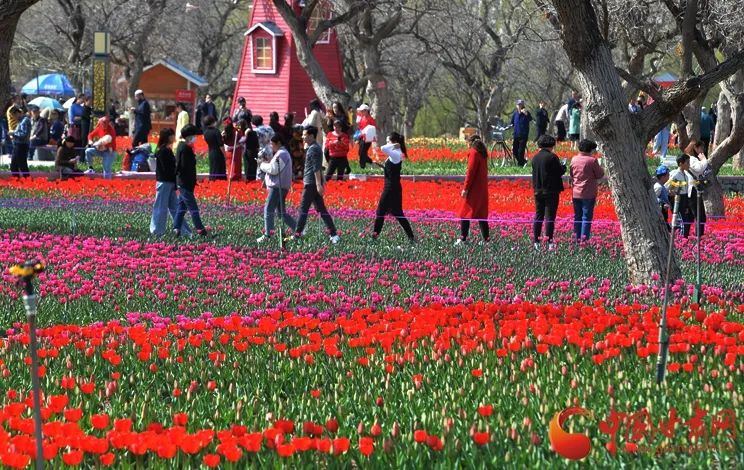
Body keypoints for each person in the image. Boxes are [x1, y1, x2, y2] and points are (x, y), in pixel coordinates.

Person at [292, 125, 340, 243]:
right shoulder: (313, 147)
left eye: (305, 135)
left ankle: (297, 235)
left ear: (311, 135)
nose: (303, 137)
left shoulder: (314, 149)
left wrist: (319, 185)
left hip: (311, 184)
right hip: (313, 183)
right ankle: (334, 234)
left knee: (303, 210)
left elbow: (316, 168)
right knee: (321, 210)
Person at [371, 132, 415, 242]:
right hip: (394, 187)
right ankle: (411, 237)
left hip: (390, 188)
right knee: (398, 213)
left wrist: (396, 144)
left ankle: (374, 237)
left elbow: (382, 148)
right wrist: (382, 166)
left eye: (388, 141)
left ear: (394, 142)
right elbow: (392, 170)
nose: (386, 143)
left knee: (380, 212)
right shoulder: (396, 153)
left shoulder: (396, 152)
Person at [150, 128, 191, 237]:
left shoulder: (166, 150)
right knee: (161, 207)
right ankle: (157, 231)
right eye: (172, 135)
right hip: (164, 183)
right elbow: (166, 169)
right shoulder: (163, 151)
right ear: (168, 137)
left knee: (175, 208)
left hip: (169, 183)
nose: (174, 137)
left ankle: (184, 231)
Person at [256, 134, 297, 242]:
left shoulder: (282, 154)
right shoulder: (282, 153)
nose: (271, 146)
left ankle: (268, 235)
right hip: (280, 186)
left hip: (277, 187)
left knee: (268, 209)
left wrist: (261, 165)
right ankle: (299, 230)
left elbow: (274, 169)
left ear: (278, 143)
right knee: (281, 213)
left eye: (272, 144)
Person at [531, 134, 565, 250]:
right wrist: (564, 167)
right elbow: (559, 171)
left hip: (537, 190)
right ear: (550, 145)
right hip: (551, 191)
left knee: (538, 215)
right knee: (550, 217)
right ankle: (549, 241)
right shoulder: (552, 157)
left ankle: (536, 241)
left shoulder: (535, 158)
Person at [173, 124, 208, 237]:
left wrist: (196, 157)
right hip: (185, 182)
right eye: (194, 135)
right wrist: (194, 159)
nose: (195, 138)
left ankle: (176, 229)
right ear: (189, 136)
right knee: (193, 207)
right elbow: (184, 165)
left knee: (182, 207)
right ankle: (200, 229)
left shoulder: (182, 146)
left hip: (184, 182)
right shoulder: (185, 148)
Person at [455, 135, 490, 245]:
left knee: (465, 213)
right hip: (481, 188)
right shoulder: (482, 153)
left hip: (473, 189)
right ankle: (486, 239)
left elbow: (470, 173)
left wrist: (465, 188)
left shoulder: (473, 153)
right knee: (481, 215)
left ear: (471, 142)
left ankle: (463, 238)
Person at [670, 140, 708, 237]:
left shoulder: (690, 159)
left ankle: (686, 237)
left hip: (689, 191)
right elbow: (699, 168)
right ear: (695, 148)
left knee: (690, 217)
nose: (702, 150)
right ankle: (698, 237)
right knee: (699, 216)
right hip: (692, 191)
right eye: (701, 148)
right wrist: (704, 159)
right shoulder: (691, 159)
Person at [569, 139, 604, 241]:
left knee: (577, 217)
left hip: (576, 192)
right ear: (591, 150)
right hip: (588, 193)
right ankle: (584, 241)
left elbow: (572, 174)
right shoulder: (592, 160)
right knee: (586, 218)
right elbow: (600, 174)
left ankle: (576, 238)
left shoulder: (574, 159)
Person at [9, 107, 31, 177]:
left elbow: (23, 134)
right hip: (17, 145)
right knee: (13, 165)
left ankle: (28, 181)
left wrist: (13, 133)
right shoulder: (20, 121)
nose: (14, 118)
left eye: (14, 115)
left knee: (22, 165)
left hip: (22, 146)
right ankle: (16, 181)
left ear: (17, 113)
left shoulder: (25, 121)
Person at [202, 115, 226, 180]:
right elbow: (221, 145)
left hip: (211, 152)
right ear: (212, 122)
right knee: (219, 169)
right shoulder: (216, 131)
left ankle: (212, 181)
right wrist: (224, 154)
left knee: (213, 168)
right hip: (218, 153)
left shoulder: (205, 132)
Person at [510, 99, 532, 166]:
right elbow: (512, 123)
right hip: (516, 135)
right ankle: (523, 161)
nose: (520, 106)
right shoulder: (515, 114)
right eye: (518, 104)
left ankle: (520, 165)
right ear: (516, 105)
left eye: (521, 104)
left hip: (523, 135)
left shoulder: (526, 112)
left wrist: (526, 113)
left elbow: (530, 119)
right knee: (515, 151)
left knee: (521, 151)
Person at [356, 103, 377, 169]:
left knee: (362, 153)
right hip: (361, 137)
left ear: (366, 111)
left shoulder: (370, 119)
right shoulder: (362, 118)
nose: (361, 112)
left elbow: (374, 127)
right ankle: (371, 162)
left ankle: (362, 167)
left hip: (368, 138)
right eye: (361, 111)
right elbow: (360, 128)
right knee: (360, 153)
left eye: (362, 111)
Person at [222, 117, 242, 181]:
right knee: (237, 167)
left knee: (230, 166)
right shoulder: (237, 129)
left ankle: (231, 179)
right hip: (237, 150)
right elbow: (241, 135)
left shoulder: (224, 132)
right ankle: (237, 179)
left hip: (228, 151)